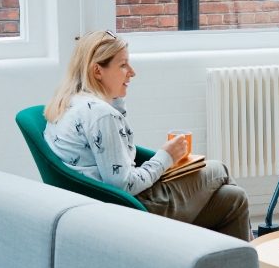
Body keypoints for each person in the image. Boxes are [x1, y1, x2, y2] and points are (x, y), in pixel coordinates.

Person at [44, 30, 251, 242]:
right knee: (218, 169)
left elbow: (119, 156)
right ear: (97, 71)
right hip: (133, 208)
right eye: (123, 65)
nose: (131, 72)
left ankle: (247, 267)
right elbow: (122, 185)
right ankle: (248, 260)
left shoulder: (71, 102)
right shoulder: (101, 114)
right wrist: (165, 157)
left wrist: (115, 100)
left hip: (101, 205)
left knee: (234, 198)